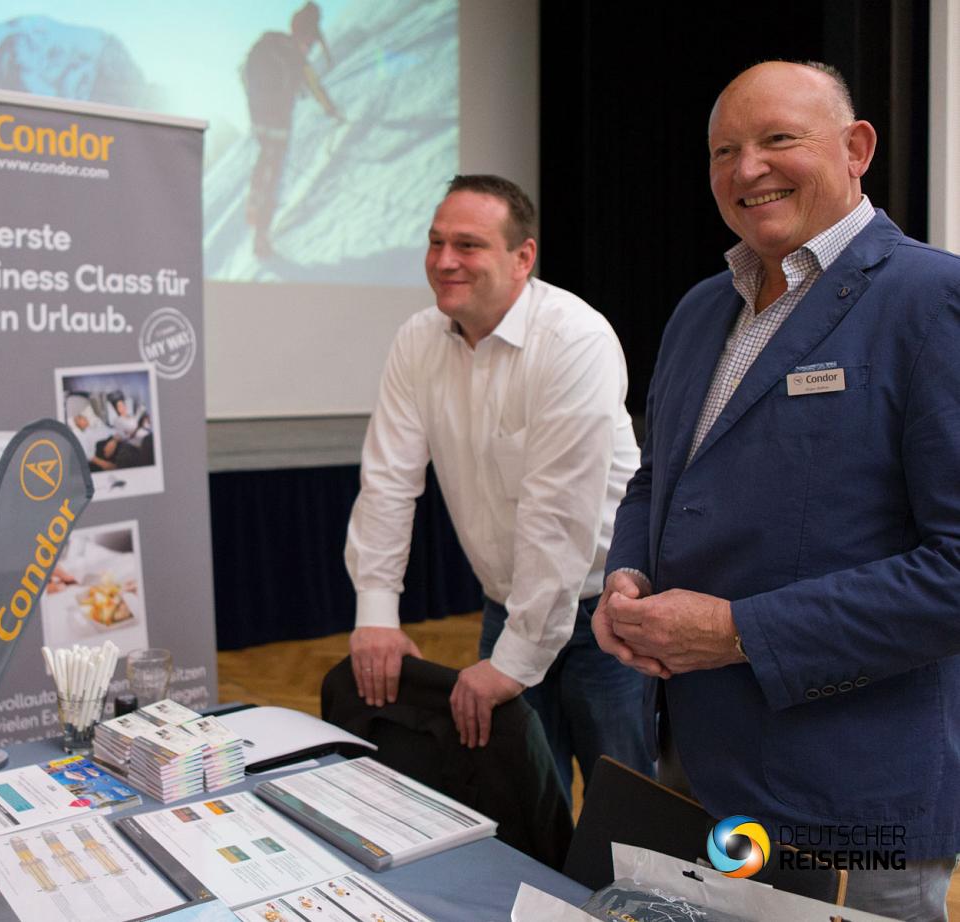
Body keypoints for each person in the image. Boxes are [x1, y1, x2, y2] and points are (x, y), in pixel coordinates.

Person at [594, 61, 960, 920]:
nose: (746, 168)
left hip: (850, 794)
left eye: (777, 139)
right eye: (724, 150)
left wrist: (736, 633)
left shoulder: (933, 301)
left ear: (857, 147)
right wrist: (627, 578)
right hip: (696, 767)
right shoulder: (699, 311)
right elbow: (658, 479)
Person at [346, 174, 649, 800]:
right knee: (519, 805)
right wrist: (376, 612)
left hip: (610, 618)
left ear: (522, 256)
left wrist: (513, 662)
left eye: (468, 245)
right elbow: (388, 481)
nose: (444, 261)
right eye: (435, 242)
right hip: (509, 604)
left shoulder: (574, 339)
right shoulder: (417, 340)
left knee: (626, 809)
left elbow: (556, 517)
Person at [241, 1, 343, 259]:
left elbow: (245, 75)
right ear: (307, 36)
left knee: (265, 158)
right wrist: (331, 110)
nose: (310, 46)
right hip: (279, 121)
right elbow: (316, 88)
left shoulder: (272, 43)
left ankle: (254, 198)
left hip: (259, 117)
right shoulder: (297, 58)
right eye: (311, 42)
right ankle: (261, 235)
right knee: (274, 174)